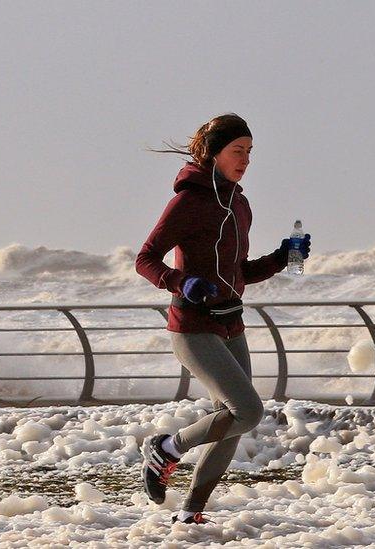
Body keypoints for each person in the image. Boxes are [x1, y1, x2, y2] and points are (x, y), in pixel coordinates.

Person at [135, 113, 311, 525]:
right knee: (247, 411)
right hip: (193, 327)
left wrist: (280, 258)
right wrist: (179, 282)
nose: (246, 159)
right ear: (214, 153)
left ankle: (189, 514)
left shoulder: (239, 203)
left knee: (232, 424)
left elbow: (238, 273)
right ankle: (167, 448)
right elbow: (145, 259)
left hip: (232, 324)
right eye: (238, 151)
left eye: (250, 152)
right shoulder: (188, 201)